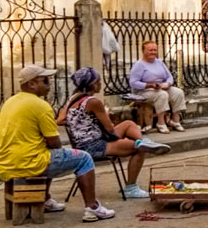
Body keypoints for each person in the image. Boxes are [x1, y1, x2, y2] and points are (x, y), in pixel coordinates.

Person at [0, 64, 114, 221]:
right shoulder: (41, 106)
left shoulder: (10, 102)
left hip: (3, 163)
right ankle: (92, 207)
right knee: (84, 158)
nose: (49, 85)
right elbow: (55, 142)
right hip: (28, 163)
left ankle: (46, 199)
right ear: (32, 84)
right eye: (45, 81)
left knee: (48, 153)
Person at [58, 67, 172, 200]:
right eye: (99, 81)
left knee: (129, 124)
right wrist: (108, 120)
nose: (101, 84)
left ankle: (143, 142)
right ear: (93, 84)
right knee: (139, 150)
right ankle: (131, 187)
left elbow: (60, 119)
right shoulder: (93, 102)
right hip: (94, 145)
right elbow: (110, 130)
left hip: (82, 143)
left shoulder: (73, 99)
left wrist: (77, 121)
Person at [127, 41, 187, 131]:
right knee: (162, 95)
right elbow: (133, 82)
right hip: (144, 91)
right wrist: (150, 85)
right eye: (150, 50)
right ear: (143, 51)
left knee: (178, 93)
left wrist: (167, 84)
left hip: (161, 87)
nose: (153, 52)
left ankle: (175, 120)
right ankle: (161, 122)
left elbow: (169, 76)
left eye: (155, 50)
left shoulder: (159, 62)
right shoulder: (139, 65)